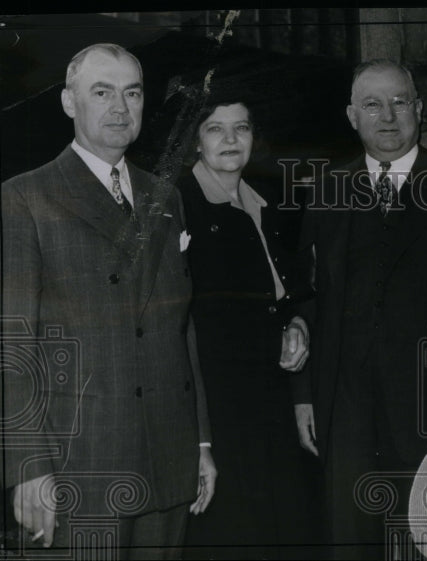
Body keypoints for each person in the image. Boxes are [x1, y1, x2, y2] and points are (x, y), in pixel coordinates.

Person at [1, 43, 214, 559]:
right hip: (79, 469)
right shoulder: (25, 197)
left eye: (132, 93)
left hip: (168, 460)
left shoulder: (166, 196)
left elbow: (180, 327)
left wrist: (201, 444)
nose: (120, 107)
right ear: (70, 102)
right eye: (102, 92)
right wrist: (28, 468)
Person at [283, 59, 427, 559]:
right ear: (351, 115)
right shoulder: (325, 191)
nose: (387, 116)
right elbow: (305, 302)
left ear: (419, 110)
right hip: (346, 407)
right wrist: (303, 394)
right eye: (372, 104)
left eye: (399, 102)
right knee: (352, 540)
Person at [175, 97, 321, 559]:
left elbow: (297, 293)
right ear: (195, 141)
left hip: (271, 400)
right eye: (216, 129)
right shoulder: (179, 205)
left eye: (241, 128)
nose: (231, 140)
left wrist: (298, 323)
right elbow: (183, 323)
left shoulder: (268, 201)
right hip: (217, 408)